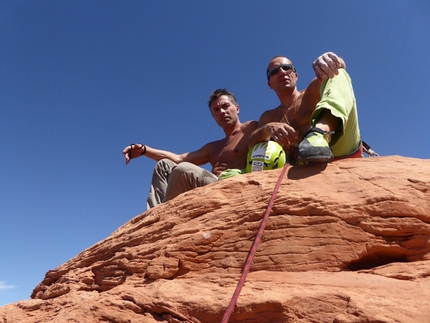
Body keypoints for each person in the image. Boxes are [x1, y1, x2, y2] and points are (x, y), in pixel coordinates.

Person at [123, 89, 258, 209]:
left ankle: (162, 215)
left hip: (231, 185)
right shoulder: (213, 147)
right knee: (164, 165)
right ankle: (152, 215)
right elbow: (179, 159)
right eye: (216, 110)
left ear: (237, 108)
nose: (222, 112)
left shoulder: (251, 128)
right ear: (214, 117)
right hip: (210, 184)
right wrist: (144, 150)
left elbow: (270, 135)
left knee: (183, 169)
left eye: (225, 106)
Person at [248, 52, 362, 165]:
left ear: (296, 76)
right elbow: (252, 145)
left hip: (339, 149)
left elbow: (336, 70)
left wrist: (330, 62)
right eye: (275, 71)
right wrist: (267, 129)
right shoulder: (269, 117)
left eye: (287, 68)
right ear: (269, 84)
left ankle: (320, 133)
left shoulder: (311, 92)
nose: (282, 72)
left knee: (337, 74)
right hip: (300, 168)